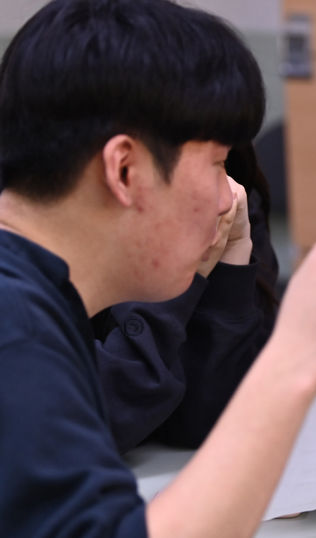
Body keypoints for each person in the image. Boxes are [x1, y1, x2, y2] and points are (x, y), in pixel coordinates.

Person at [0, 1, 316, 536]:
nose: (227, 197)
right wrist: (297, 358)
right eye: (216, 164)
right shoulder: (17, 330)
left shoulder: (38, 300)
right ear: (124, 168)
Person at [92, 144, 281, 453]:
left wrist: (231, 259)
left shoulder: (234, 194)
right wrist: (176, 281)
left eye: (221, 160)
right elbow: (88, 422)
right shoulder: (57, 223)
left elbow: (208, 424)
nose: (226, 196)